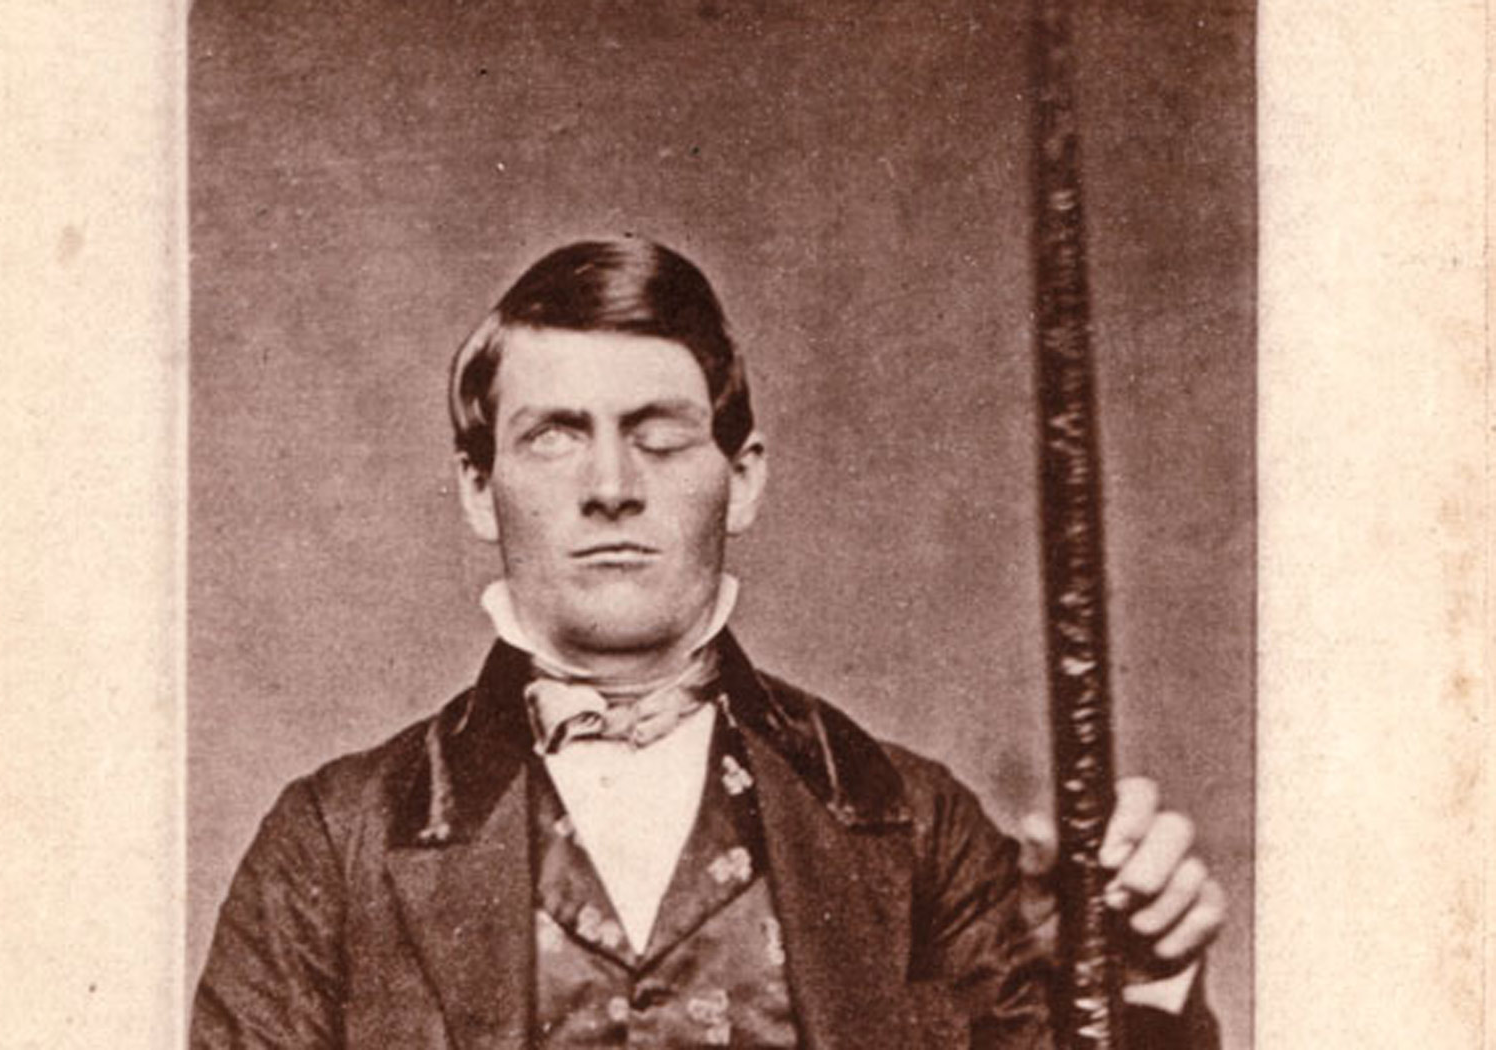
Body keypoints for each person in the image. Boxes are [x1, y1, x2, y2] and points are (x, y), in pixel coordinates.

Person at [193, 238, 1227, 1049]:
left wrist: (1140, 987)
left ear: (743, 478)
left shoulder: (919, 832)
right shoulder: (332, 848)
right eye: (553, 435)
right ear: (477, 487)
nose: (610, 486)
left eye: (659, 435)